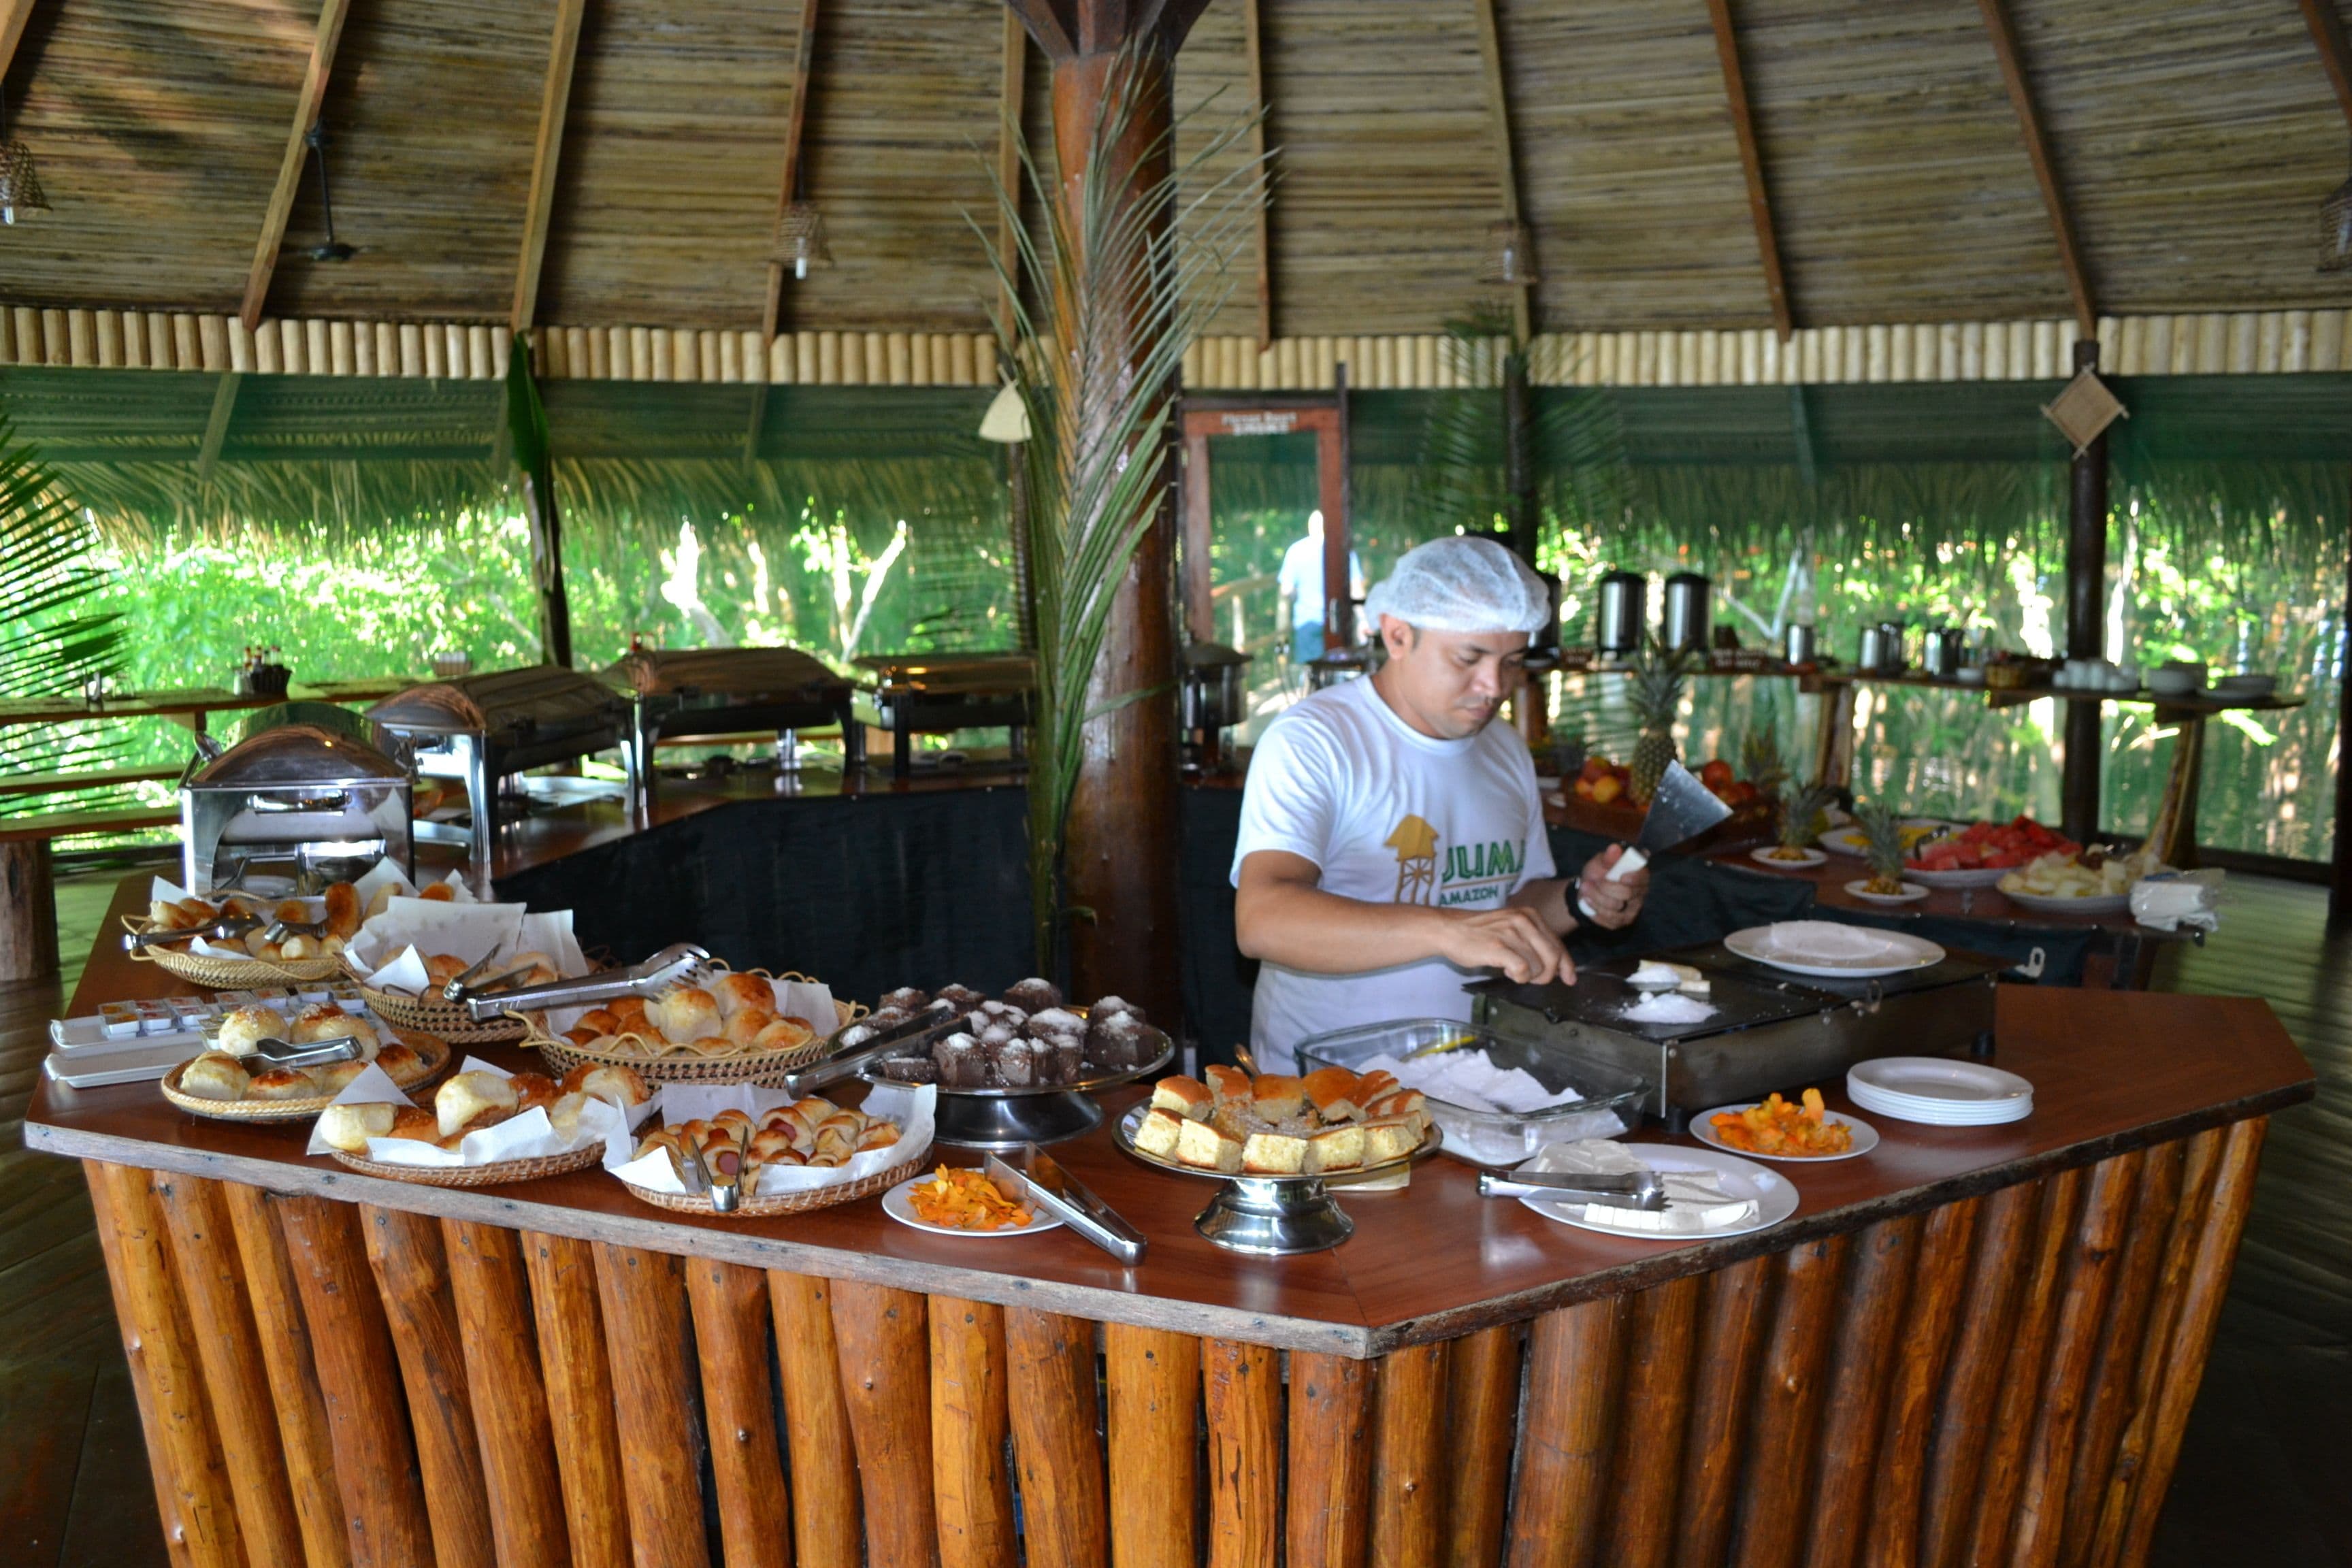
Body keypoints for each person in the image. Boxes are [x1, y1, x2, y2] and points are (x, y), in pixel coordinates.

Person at [1232, 536, 1649, 1070]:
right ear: (1398, 635)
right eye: (1469, 657)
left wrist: (1580, 898)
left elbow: (1506, 904)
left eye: (1512, 661)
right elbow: (1263, 918)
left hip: (1471, 1074)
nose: (1493, 685)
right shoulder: (1317, 740)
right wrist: (1446, 929)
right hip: (1328, 1086)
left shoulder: (1503, 747)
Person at [1276, 510, 1366, 664]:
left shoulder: (1296, 551)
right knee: (1339, 668)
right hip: (1339, 621)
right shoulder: (1343, 550)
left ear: (1310, 527)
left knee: (1310, 670)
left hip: (1306, 621)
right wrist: (1363, 620)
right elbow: (1356, 589)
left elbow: (1286, 589)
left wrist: (1297, 597)